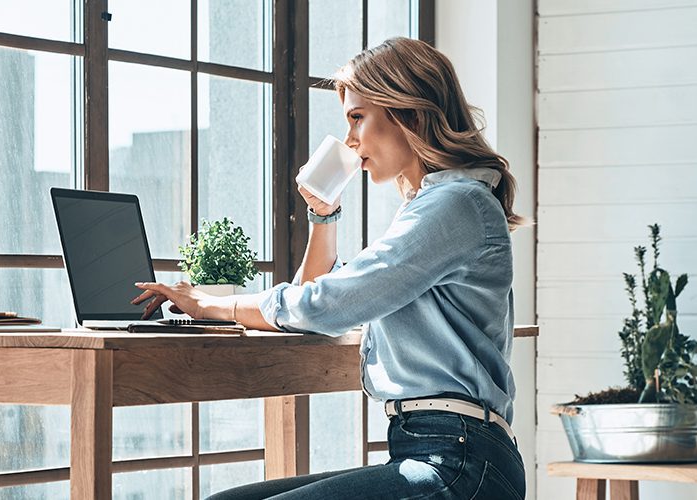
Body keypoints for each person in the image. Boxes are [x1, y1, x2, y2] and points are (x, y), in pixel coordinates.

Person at [133, 37, 526, 500]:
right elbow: (315, 305)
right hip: (431, 451)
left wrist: (215, 304)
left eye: (358, 118)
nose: (351, 141)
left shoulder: (455, 204)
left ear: (411, 113)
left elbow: (328, 305)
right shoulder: (432, 207)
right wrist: (323, 216)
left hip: (461, 461)